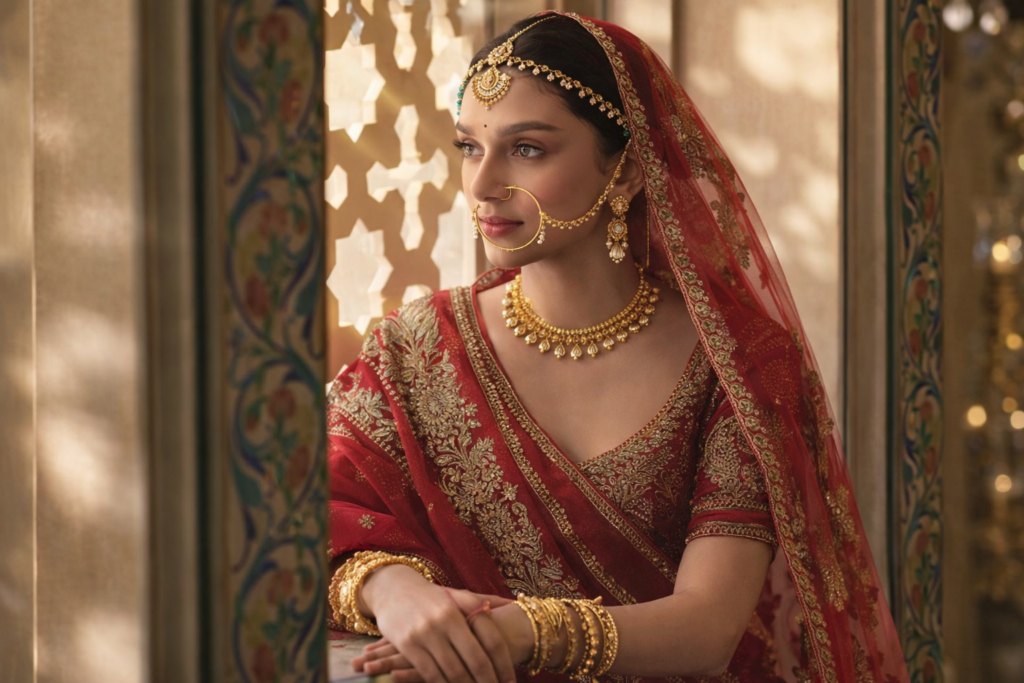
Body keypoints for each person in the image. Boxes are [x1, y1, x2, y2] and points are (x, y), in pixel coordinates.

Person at [326, 11, 910, 683]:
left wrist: (519, 629)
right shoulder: (413, 349)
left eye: (528, 149)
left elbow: (707, 627)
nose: (482, 184)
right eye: (469, 146)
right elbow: (327, 509)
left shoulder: (737, 367)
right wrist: (399, 592)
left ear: (627, 172)